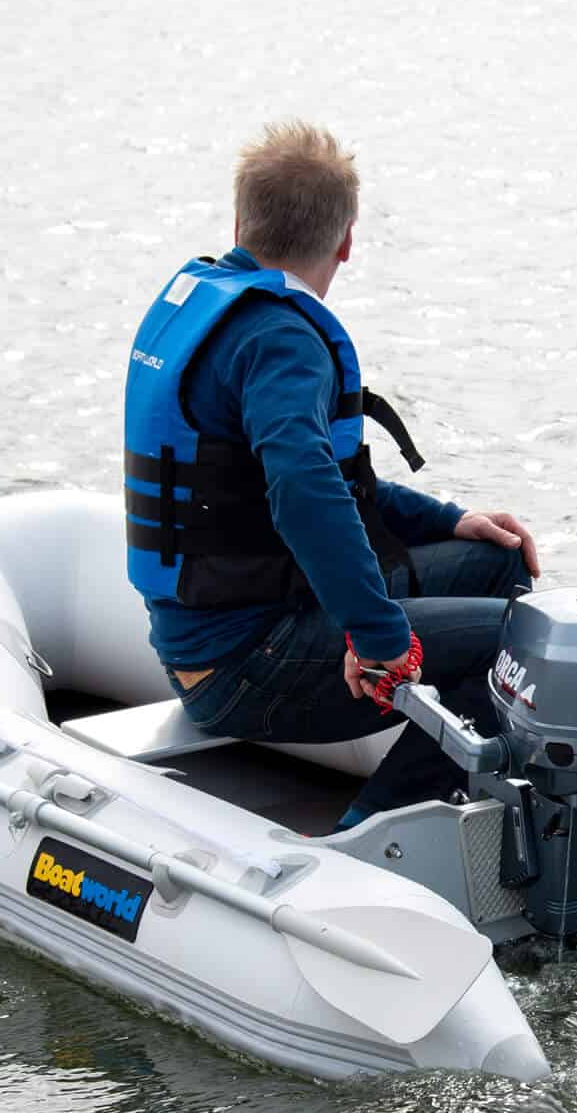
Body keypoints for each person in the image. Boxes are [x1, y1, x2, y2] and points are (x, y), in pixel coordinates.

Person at [122, 121, 537, 829]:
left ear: (239, 222)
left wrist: (450, 520)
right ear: (346, 240)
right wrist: (378, 641)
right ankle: (370, 834)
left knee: (493, 562)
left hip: (213, 635)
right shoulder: (282, 340)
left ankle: (453, 776)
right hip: (247, 661)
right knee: (523, 647)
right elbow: (305, 492)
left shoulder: (212, 307)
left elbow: (322, 480)